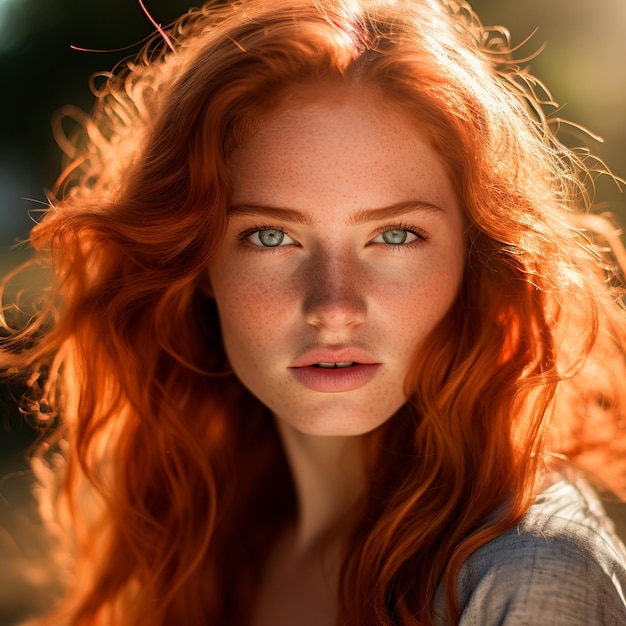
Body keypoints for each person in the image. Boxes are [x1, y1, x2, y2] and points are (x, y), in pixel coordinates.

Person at [1, 0, 626, 624]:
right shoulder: (212, 535)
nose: (334, 308)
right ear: (198, 263)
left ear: (475, 260)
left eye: (396, 235)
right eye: (272, 236)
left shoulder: (528, 576)